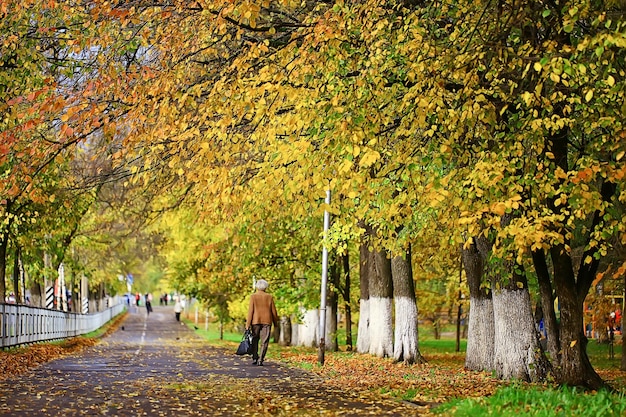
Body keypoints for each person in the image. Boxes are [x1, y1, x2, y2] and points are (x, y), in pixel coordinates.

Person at [246, 279, 279, 366]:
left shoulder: (253, 296)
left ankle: (255, 357)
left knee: (255, 339)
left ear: (257, 287)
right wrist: (276, 323)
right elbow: (274, 312)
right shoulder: (269, 297)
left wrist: (247, 324)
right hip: (267, 321)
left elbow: (250, 311)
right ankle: (261, 359)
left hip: (255, 321)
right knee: (264, 341)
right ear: (266, 287)